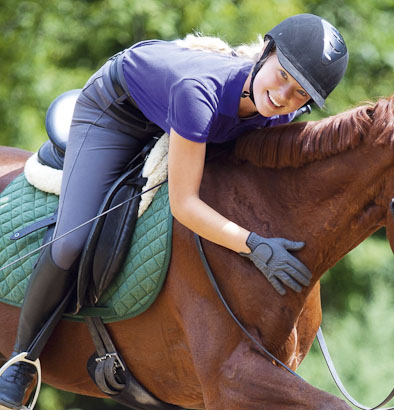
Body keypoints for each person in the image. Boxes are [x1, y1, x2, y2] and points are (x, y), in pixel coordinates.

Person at [0, 13, 348, 409]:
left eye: (301, 93)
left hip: (190, 120)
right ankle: (21, 361)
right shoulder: (197, 92)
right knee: (72, 241)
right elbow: (185, 205)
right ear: (266, 52)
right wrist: (254, 244)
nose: (285, 95)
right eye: (283, 75)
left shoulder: (278, 113)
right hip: (117, 112)